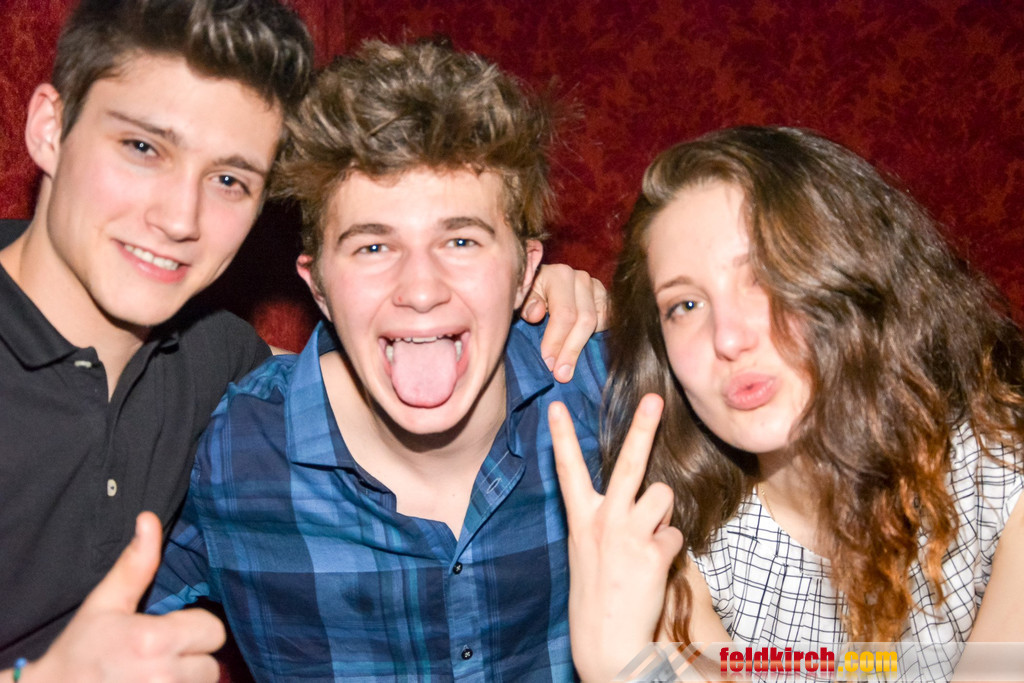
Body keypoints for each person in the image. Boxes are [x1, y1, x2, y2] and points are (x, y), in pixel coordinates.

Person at [1, 1, 601, 678]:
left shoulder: (217, 368)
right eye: (142, 148)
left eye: (229, 179)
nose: (178, 217)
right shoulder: (232, 434)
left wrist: (529, 296)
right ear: (48, 128)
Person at [549, 126, 1024, 681]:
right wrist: (619, 667)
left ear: (855, 274)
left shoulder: (999, 467)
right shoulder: (678, 543)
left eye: (763, 277)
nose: (728, 338)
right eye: (686, 305)